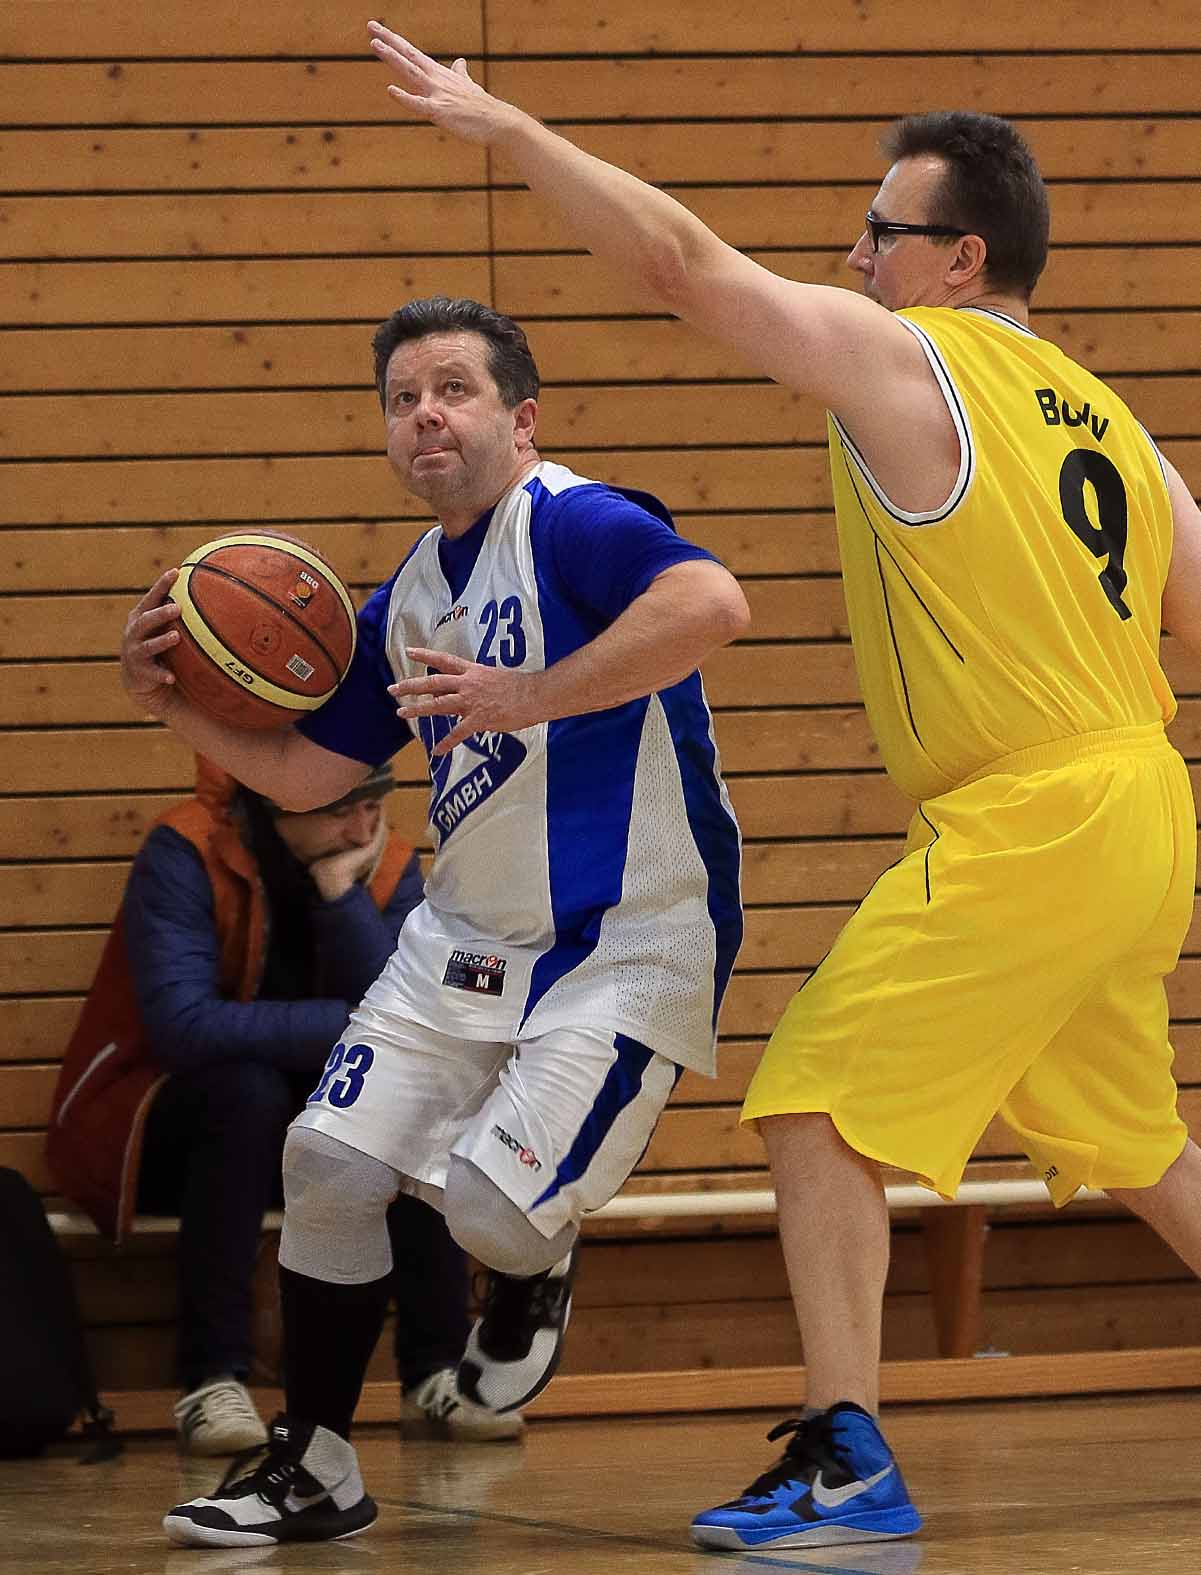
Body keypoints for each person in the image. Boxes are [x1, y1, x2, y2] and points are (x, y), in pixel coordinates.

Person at [364, 22, 1201, 1553]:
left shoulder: (914, 355)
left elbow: (682, 266)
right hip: (1138, 801)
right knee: (1144, 1147)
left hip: (1034, 812)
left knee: (812, 1105)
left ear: (959, 258)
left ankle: (846, 1459)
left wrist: (513, 132)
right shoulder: (1117, 430)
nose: (855, 254)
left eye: (881, 230)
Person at [119, 294, 748, 1546]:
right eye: (402, 399)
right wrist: (170, 704)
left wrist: (529, 694)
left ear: (522, 419)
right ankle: (315, 1467)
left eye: (452, 390)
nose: (424, 416)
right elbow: (306, 776)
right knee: (327, 1164)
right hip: (464, 939)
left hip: (624, 933)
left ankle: (533, 1255)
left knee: (490, 1216)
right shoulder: (405, 596)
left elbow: (712, 606)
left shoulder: (573, 520)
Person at [47, 756, 521, 1454]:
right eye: (340, 810)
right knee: (247, 1092)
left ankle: (435, 1372)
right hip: (162, 1130)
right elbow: (185, 1027)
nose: (362, 827)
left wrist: (342, 895)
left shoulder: (383, 863)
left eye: (374, 805)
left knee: (415, 1093)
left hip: (307, 1132)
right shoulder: (186, 849)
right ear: (280, 800)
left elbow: (414, 1022)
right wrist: (355, 1021)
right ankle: (210, 1380)